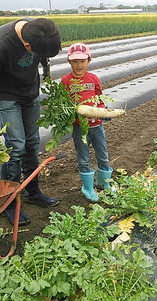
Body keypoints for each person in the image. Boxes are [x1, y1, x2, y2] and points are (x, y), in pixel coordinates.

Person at [0, 18, 61, 225]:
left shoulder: (39, 32)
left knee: (32, 142)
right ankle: (7, 201)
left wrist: (46, 70)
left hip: (30, 94)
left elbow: (44, 55)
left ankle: (32, 191)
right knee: (15, 146)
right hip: (7, 97)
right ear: (27, 46)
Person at [61, 42, 114, 202]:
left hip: (97, 126)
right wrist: (70, 115)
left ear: (88, 61)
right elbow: (64, 104)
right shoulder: (66, 81)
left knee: (103, 155)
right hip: (79, 128)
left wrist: (104, 112)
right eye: (75, 61)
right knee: (83, 157)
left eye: (82, 61)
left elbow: (100, 98)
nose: (79, 65)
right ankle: (88, 187)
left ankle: (105, 184)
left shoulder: (93, 78)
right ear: (69, 62)